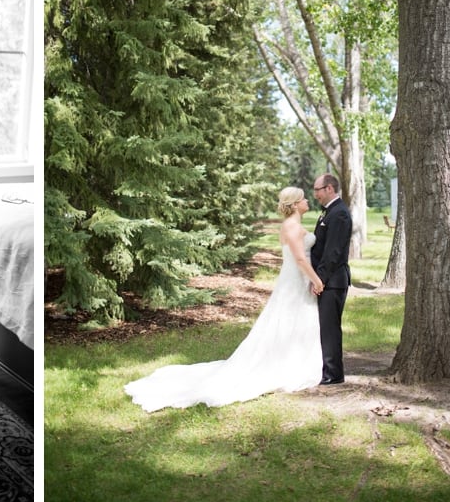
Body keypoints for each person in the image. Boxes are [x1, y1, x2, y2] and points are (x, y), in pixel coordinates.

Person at [124, 187, 325, 411]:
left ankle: (290, 358)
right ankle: (287, 364)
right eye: (304, 198)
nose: (308, 200)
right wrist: (316, 281)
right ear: (296, 204)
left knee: (290, 320)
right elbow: (299, 258)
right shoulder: (292, 227)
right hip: (295, 279)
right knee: (290, 318)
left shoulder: (291, 225)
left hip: (293, 279)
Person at [310, 173, 352, 385]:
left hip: (333, 281)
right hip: (327, 280)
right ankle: (326, 369)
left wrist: (320, 280)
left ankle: (333, 374)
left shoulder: (340, 214)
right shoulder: (329, 213)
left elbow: (333, 252)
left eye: (317, 189)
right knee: (325, 326)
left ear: (329, 189)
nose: (315, 194)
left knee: (330, 328)